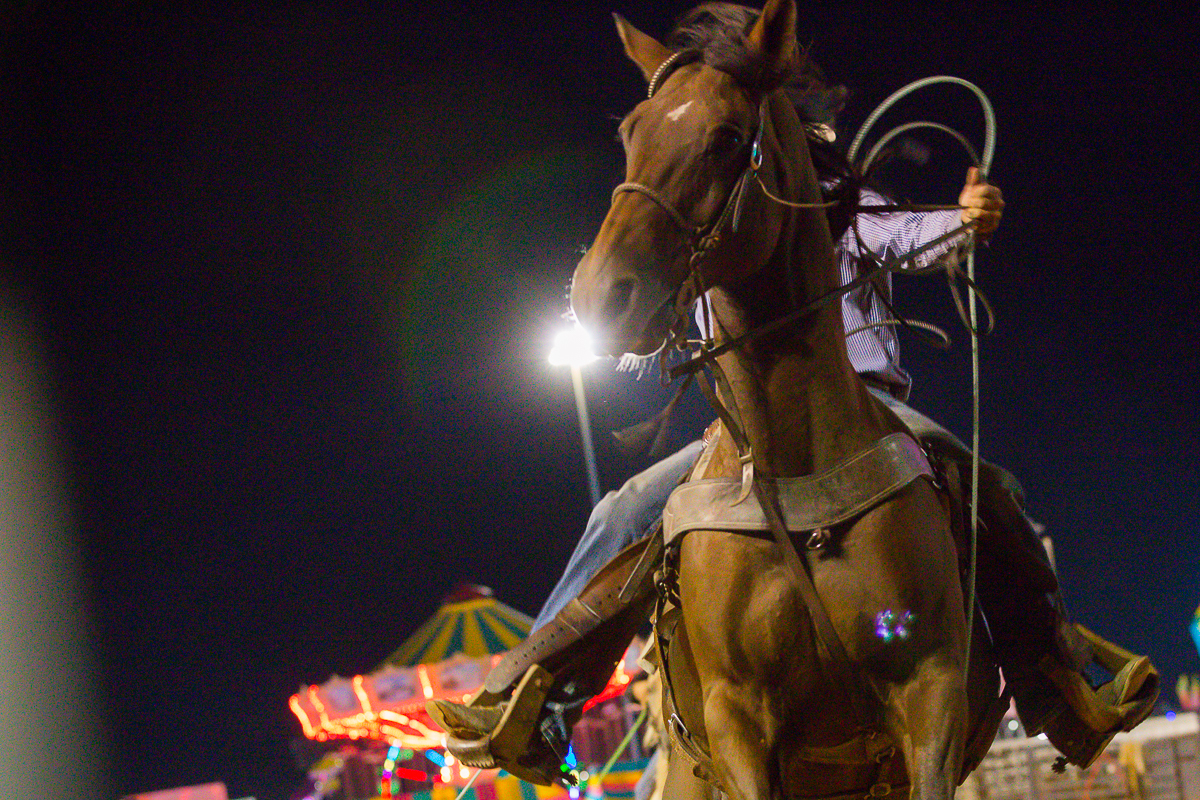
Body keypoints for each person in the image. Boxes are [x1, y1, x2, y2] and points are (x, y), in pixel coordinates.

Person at [429, 4, 1157, 780]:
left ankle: (1064, 675)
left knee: (987, 487)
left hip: (871, 409)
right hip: (739, 429)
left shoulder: (836, 206)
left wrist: (966, 218)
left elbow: (911, 237)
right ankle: (537, 697)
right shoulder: (707, 232)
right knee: (620, 511)